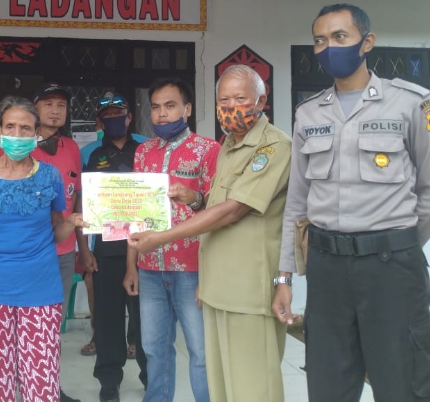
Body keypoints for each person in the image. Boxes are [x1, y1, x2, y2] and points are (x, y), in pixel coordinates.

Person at [272, 4, 430, 402]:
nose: (329, 47)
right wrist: (284, 276)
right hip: (327, 270)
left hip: (391, 272)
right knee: (328, 386)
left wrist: (397, 244)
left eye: (340, 36)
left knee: (403, 384)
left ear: (366, 42)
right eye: (320, 40)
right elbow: (297, 203)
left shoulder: (411, 103)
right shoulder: (308, 113)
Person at [130, 65, 291, 401]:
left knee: (229, 369)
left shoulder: (242, 148)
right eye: (224, 100)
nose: (231, 107)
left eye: (240, 99)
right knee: (185, 358)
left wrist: (164, 234)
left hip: (225, 276)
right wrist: (193, 199)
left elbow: (231, 209)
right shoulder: (225, 145)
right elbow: (209, 203)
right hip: (194, 275)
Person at [0, 96, 88, 402]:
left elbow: (55, 232)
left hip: (42, 292)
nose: (18, 134)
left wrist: (72, 221)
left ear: (36, 133)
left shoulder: (49, 175)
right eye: (10, 126)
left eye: (26, 128)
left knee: (42, 385)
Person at [123, 77, 219, 402]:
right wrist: (132, 266)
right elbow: (134, 213)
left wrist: (194, 198)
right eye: (155, 107)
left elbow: (218, 210)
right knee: (154, 349)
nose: (162, 114)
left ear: (187, 109)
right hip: (150, 267)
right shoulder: (143, 152)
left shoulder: (208, 150)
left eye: (170, 106)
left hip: (193, 268)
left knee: (201, 352)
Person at [83, 93, 148, 402]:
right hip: (107, 250)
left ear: (129, 116)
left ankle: (151, 377)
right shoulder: (93, 155)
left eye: (118, 113)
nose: (114, 119)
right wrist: (86, 250)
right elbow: (85, 203)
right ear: (100, 122)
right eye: (107, 115)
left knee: (146, 318)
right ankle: (109, 381)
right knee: (108, 319)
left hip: (146, 248)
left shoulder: (145, 151)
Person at [31, 82, 84, 402]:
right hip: (28, 254)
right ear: (35, 109)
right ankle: (24, 387)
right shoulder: (17, 146)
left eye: (61, 105)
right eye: (48, 103)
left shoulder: (72, 148)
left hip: (63, 253)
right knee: (26, 326)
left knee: (52, 326)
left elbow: (78, 201)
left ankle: (49, 388)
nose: (55, 110)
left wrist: (83, 250)